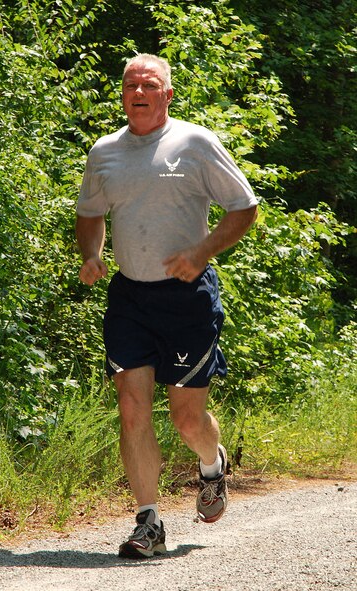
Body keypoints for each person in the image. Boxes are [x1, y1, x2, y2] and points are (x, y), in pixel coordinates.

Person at [76, 53, 258, 559]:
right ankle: (148, 523)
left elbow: (243, 206)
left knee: (186, 420)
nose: (138, 91)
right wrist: (92, 253)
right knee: (132, 410)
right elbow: (90, 212)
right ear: (123, 94)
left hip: (186, 298)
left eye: (149, 84)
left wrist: (200, 253)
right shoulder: (105, 151)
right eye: (131, 84)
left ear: (167, 94)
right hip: (130, 295)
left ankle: (211, 464)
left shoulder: (194, 143)